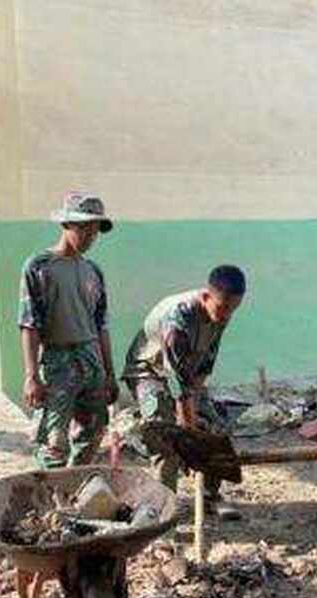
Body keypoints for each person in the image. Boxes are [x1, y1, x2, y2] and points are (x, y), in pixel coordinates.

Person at [123, 265, 247, 521]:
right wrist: (187, 430)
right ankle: (162, 509)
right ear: (206, 297)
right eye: (223, 308)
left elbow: (203, 367)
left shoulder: (221, 314)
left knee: (215, 429)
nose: (226, 316)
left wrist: (198, 425)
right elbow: (176, 382)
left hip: (185, 376)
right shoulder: (177, 319)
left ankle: (209, 495)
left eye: (233, 309)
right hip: (149, 373)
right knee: (165, 436)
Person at [19, 193, 118, 468]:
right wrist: (31, 376)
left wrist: (109, 373)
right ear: (66, 224)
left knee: (94, 431)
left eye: (95, 230)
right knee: (52, 442)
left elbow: (101, 325)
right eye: (84, 228)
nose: (90, 236)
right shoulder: (39, 266)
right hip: (57, 361)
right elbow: (29, 323)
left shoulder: (92, 271)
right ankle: (53, 499)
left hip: (90, 359)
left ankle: (75, 487)